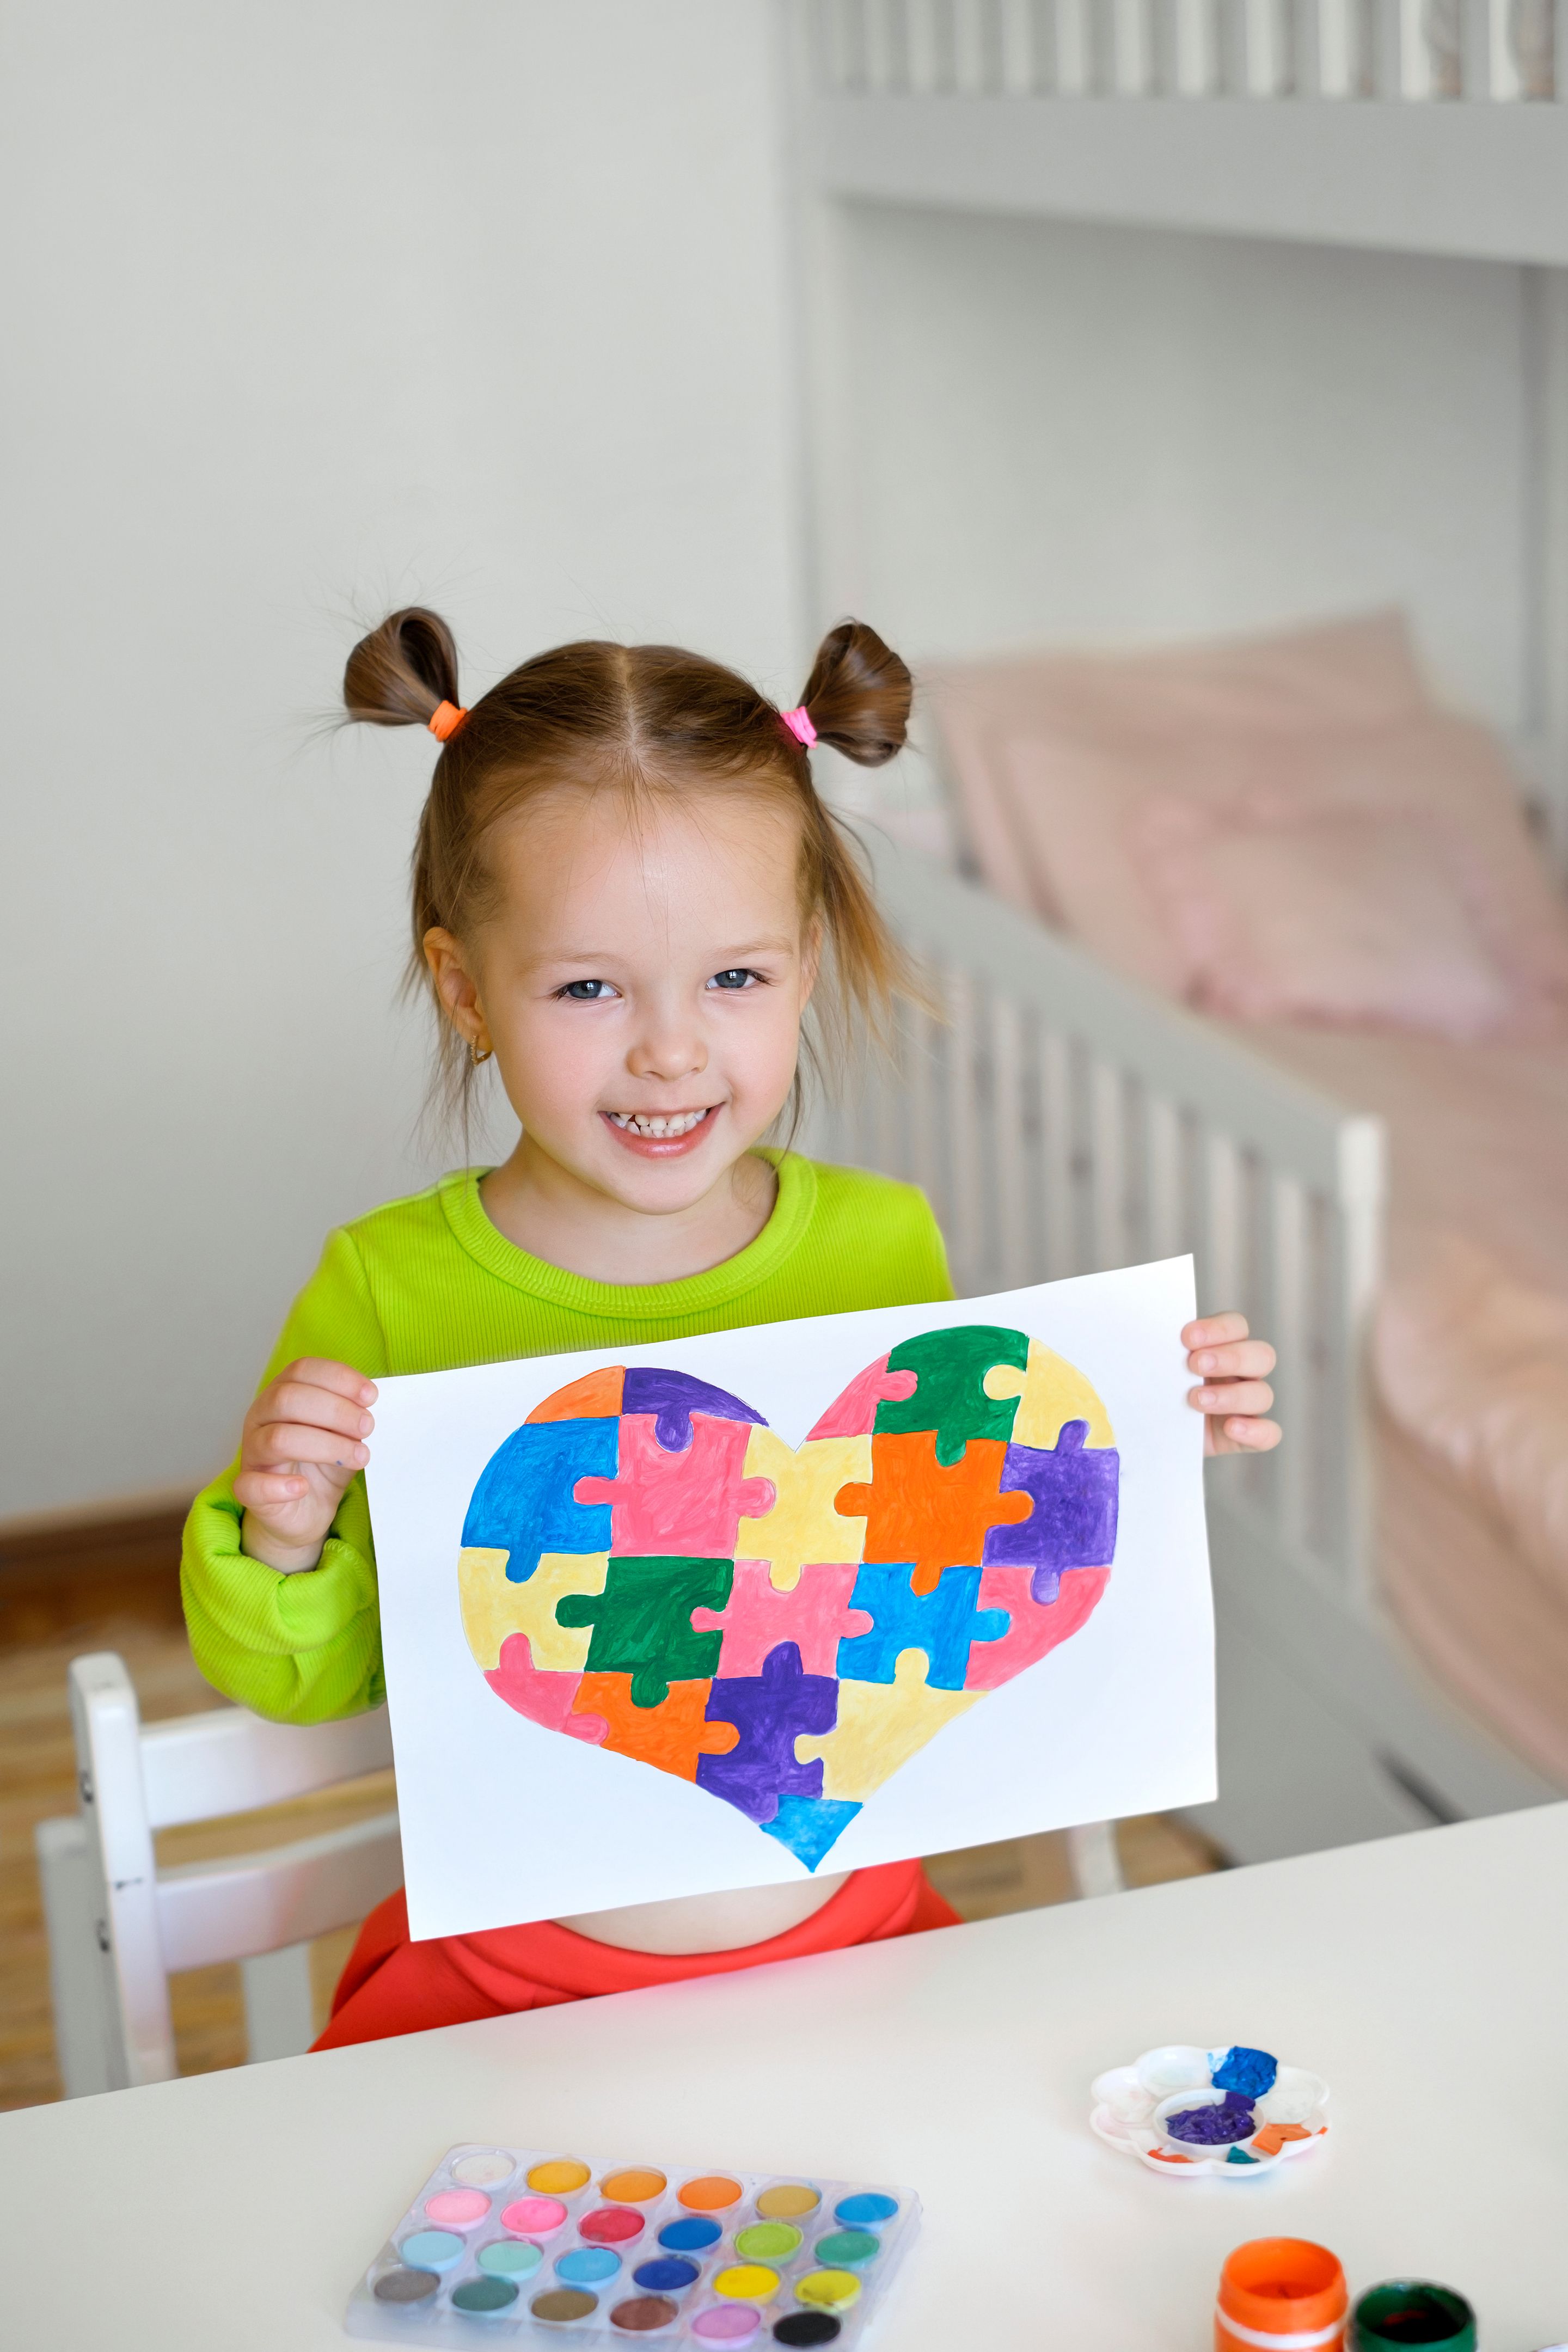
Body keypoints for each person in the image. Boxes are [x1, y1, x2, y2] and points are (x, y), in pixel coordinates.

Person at [181, 609, 1281, 2048]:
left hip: (865, 1956)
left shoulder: (881, 1245)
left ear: (806, 968)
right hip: (508, 1998)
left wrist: (1143, 1426)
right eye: (588, 988)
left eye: (735, 978)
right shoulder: (390, 1287)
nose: (671, 1048)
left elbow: (947, 1578)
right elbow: (303, 1677)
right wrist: (283, 1534)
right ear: (466, 991)